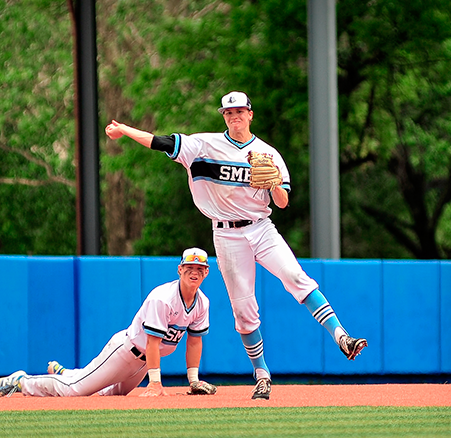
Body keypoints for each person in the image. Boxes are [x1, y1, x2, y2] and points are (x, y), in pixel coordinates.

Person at [104, 91, 367, 400]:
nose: (234, 116)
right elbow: (160, 142)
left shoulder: (268, 153)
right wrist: (124, 130)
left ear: (250, 114)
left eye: (240, 111)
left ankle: (341, 336)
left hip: (261, 227)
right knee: (244, 311)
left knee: (296, 277)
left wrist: (272, 182)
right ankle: (262, 375)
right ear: (224, 116)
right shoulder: (203, 145)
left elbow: (282, 202)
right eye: (229, 112)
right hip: (227, 235)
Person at [0, 247, 216, 398]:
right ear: (180, 270)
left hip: (144, 362)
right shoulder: (163, 298)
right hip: (126, 351)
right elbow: (153, 342)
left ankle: (66, 372)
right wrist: (155, 383)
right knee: (74, 391)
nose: (194, 273)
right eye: (189, 268)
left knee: (112, 394)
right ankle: (22, 381)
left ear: (206, 272)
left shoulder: (202, 303)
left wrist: (193, 381)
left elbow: (194, 341)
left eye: (200, 269)